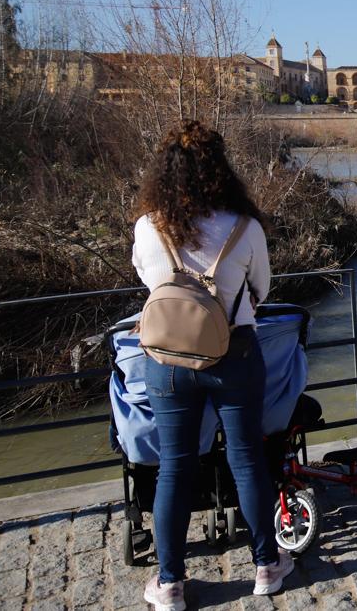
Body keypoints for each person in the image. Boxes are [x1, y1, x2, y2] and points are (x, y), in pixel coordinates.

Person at [132, 121, 293, 610]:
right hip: (235, 353)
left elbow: (147, 279)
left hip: (168, 358)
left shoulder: (148, 227)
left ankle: (170, 583)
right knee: (247, 459)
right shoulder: (245, 227)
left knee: (174, 468)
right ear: (221, 169)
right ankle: (267, 566)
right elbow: (261, 289)